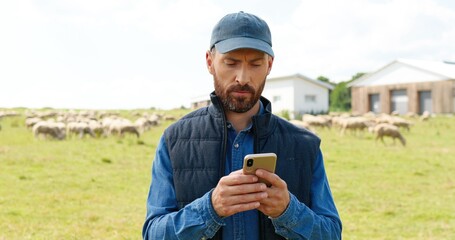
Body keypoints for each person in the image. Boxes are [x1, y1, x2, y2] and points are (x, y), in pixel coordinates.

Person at [142, 11, 342, 240]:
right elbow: (153, 234)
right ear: (210, 61)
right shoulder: (174, 140)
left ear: (269, 65)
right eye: (231, 62)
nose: (243, 77)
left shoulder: (305, 145)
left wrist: (288, 211)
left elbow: (332, 234)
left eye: (255, 64)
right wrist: (210, 209)